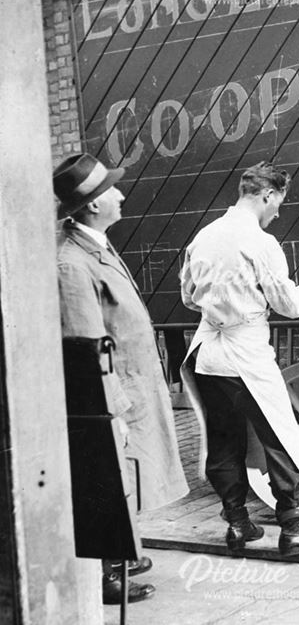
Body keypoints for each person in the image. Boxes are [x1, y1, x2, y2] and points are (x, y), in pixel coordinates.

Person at [179, 162, 299, 556]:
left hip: (207, 355)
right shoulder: (261, 242)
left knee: (224, 441)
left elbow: (187, 296)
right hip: (245, 353)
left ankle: (237, 525)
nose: (279, 212)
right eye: (279, 202)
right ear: (267, 195)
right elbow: (289, 305)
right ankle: (295, 528)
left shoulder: (204, 236)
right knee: (281, 436)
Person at [53, 153, 188, 604]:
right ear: (92, 205)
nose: (121, 194)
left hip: (131, 387)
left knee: (130, 475)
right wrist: (109, 411)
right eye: (112, 189)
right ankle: (106, 574)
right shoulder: (73, 264)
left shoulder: (96, 247)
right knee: (108, 477)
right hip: (115, 396)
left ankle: (123, 555)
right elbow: (86, 348)